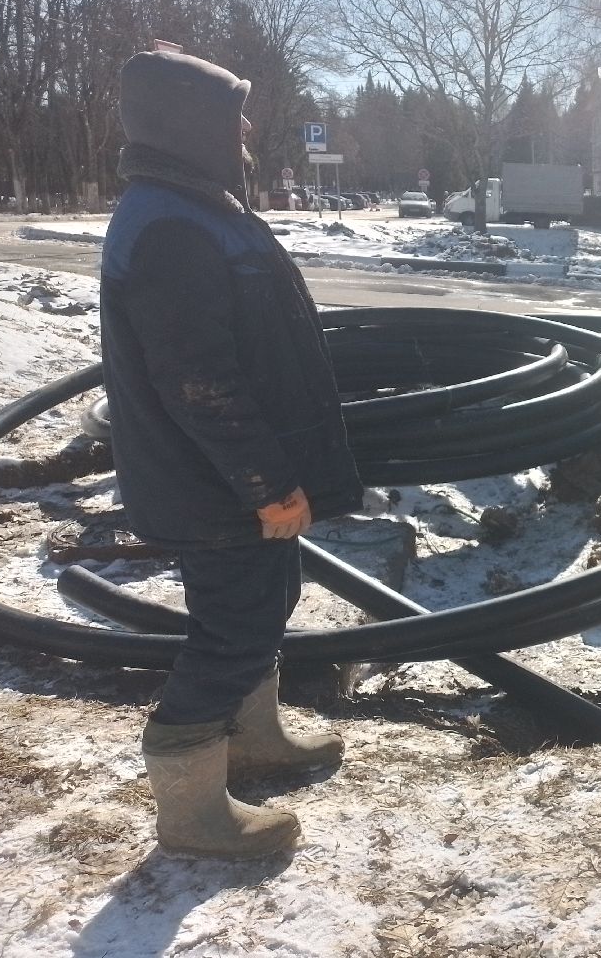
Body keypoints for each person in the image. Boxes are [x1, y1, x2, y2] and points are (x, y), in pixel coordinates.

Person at [101, 48, 363, 859]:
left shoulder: (194, 207)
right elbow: (197, 383)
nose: (246, 127)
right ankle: (190, 814)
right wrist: (266, 482)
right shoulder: (172, 226)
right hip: (215, 488)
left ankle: (254, 741)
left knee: (265, 604)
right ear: (189, 122)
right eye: (232, 112)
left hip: (230, 483)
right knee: (232, 632)